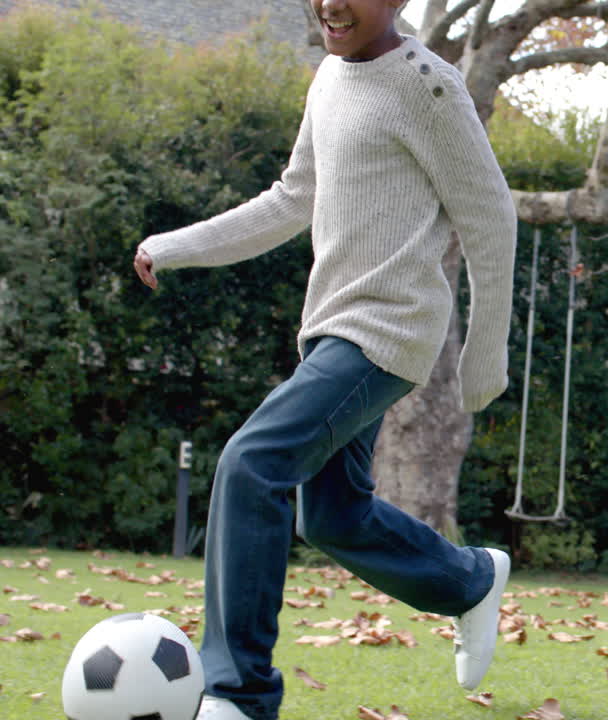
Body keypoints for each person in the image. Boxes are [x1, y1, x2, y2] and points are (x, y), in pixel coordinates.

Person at [132, 1, 517, 718]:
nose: (331, 3)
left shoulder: (429, 86)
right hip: (330, 329)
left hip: (386, 333)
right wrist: (175, 245)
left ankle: (237, 693)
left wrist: (483, 358)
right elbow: (291, 198)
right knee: (334, 516)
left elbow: (490, 215)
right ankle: (467, 581)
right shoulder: (331, 79)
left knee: (253, 462)